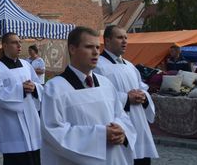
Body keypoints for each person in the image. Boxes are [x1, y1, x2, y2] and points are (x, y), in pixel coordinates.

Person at [41, 26, 137, 164]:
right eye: (89, 47)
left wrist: (122, 132)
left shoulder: (106, 83)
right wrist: (100, 135)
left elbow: (121, 115)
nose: (96, 52)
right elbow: (53, 131)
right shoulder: (55, 88)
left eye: (98, 47)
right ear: (72, 49)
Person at [95, 26, 158, 164]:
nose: (124, 41)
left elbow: (143, 87)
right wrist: (125, 98)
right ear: (107, 40)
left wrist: (144, 96)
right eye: (119, 37)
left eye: (125, 38)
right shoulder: (98, 66)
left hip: (139, 124)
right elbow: (97, 97)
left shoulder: (130, 66)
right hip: (119, 125)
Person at [0, 32, 43, 165]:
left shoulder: (26, 65)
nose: (19, 45)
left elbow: (39, 85)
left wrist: (34, 88)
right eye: (14, 42)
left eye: (20, 42)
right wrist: (20, 89)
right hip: (11, 126)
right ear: (5, 45)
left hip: (31, 120)